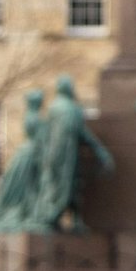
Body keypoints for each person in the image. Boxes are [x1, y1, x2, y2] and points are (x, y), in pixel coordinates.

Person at [35, 75, 114, 233]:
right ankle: (56, 218)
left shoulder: (57, 109)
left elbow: (49, 134)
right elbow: (80, 133)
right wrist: (100, 150)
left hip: (60, 157)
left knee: (68, 186)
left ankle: (68, 219)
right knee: (66, 186)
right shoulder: (69, 109)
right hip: (64, 157)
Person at [0, 89, 46, 233]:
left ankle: (27, 211)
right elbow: (41, 139)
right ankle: (25, 212)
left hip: (28, 154)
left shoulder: (31, 115)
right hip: (31, 155)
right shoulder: (35, 117)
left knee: (24, 189)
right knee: (26, 189)